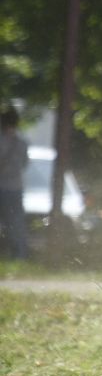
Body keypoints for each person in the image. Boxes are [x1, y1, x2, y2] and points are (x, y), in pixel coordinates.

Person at [0, 106, 29, 261]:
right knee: (16, 224)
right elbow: (24, 164)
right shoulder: (22, 143)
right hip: (15, 188)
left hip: (4, 187)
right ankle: (19, 256)